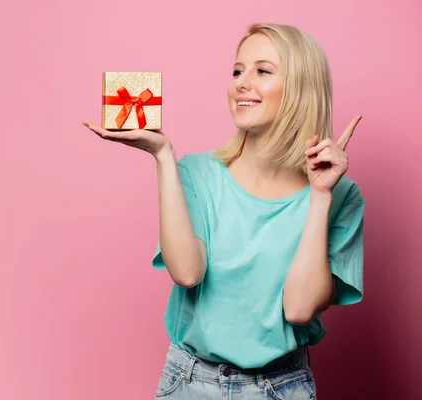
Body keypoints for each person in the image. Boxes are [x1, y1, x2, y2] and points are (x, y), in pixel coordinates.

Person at [83, 22, 364, 399]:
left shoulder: (341, 196)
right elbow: (186, 272)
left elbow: (298, 310)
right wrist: (163, 156)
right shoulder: (195, 173)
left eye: (262, 71)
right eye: (237, 70)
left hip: (282, 387)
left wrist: (320, 196)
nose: (241, 83)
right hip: (189, 383)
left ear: (301, 89)